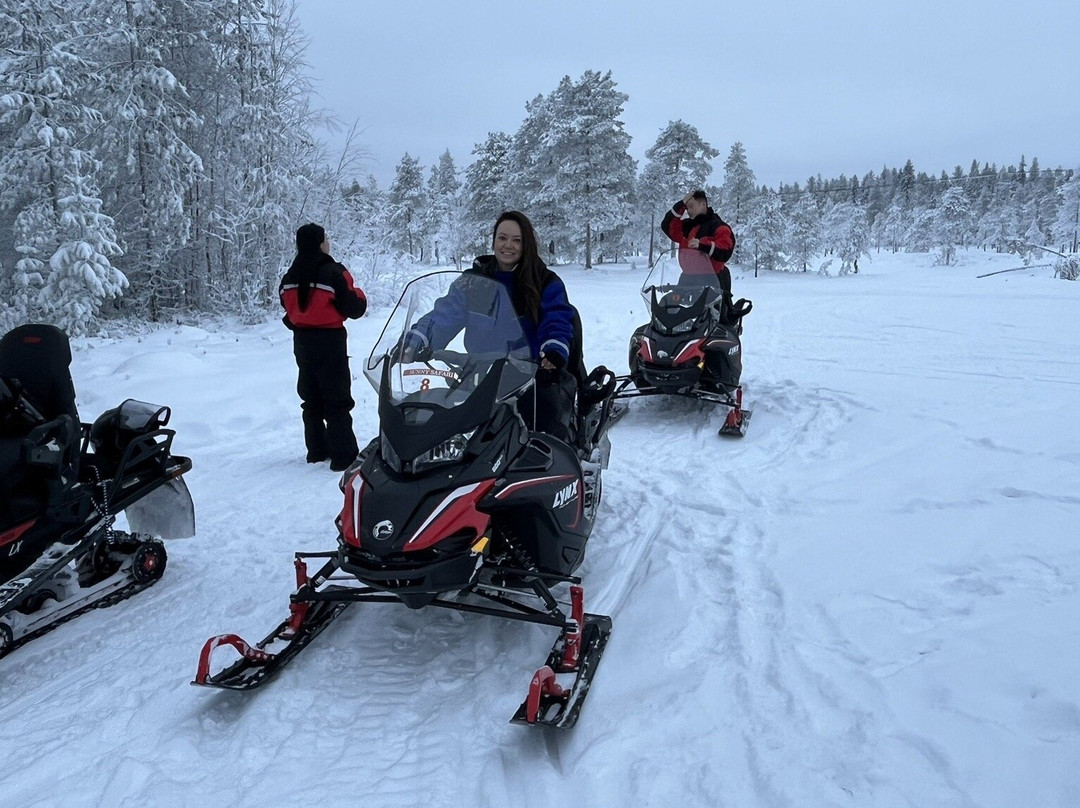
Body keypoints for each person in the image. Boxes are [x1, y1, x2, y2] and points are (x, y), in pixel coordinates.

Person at [403, 211, 579, 444]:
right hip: (480, 372)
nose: (508, 246)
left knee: (542, 439)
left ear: (526, 244)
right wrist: (417, 341)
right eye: (502, 238)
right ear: (494, 240)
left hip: (530, 375)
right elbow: (445, 314)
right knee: (448, 430)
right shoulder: (473, 281)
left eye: (517, 240)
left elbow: (556, 318)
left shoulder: (544, 280)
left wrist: (554, 347)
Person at [279, 223, 367, 471]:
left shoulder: (289, 276)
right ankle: (344, 456)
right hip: (331, 340)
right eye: (326, 238)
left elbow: (287, 308)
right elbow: (354, 307)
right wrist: (360, 294)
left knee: (311, 397)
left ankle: (316, 451)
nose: (328, 242)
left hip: (302, 342)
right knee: (337, 398)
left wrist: (300, 320)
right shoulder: (333, 272)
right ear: (319, 242)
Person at [660, 189, 736, 305]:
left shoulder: (718, 226)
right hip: (687, 278)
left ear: (703, 204)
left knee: (713, 317)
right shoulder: (687, 226)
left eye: (691, 206)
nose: (688, 211)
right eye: (687, 208)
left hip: (712, 279)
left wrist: (702, 246)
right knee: (674, 312)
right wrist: (680, 205)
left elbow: (725, 250)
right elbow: (667, 226)